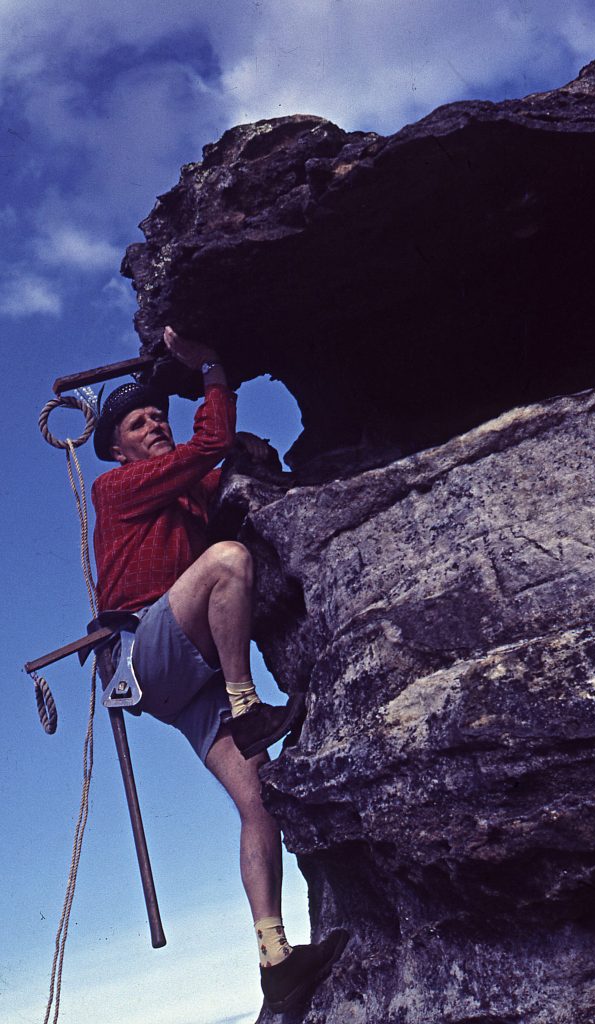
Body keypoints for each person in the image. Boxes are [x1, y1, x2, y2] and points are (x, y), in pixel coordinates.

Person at [91, 325, 348, 1014]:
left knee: (257, 802)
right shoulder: (119, 490)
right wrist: (209, 368)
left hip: (182, 671)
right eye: (140, 425)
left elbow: (218, 453)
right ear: (118, 450)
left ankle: (274, 956)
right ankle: (246, 700)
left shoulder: (184, 494)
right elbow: (208, 442)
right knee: (229, 558)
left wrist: (244, 449)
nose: (154, 429)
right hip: (147, 648)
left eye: (157, 418)